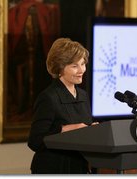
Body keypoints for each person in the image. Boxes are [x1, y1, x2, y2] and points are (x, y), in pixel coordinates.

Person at [27, 38, 98, 174]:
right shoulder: (48, 98)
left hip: (79, 167)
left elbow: (82, 132)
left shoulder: (83, 95)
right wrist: (65, 129)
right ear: (60, 67)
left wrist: (92, 131)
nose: (81, 70)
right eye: (74, 66)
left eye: (83, 64)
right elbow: (34, 141)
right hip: (53, 169)